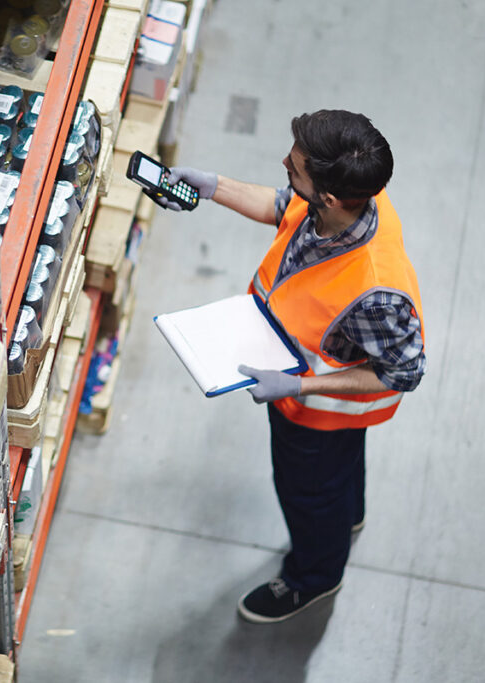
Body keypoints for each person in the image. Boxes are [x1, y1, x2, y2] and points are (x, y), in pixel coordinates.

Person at [159, 110, 426, 623]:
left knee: (309, 493)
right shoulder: (352, 198)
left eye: (295, 165)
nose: (285, 163)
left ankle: (316, 577)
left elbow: (404, 371)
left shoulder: (376, 292)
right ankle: (347, 516)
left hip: (317, 415)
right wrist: (214, 187)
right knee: (339, 482)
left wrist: (299, 385)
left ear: (328, 197)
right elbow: (285, 206)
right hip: (318, 409)